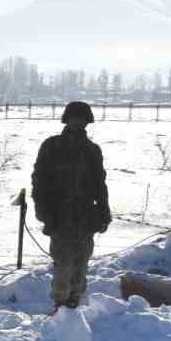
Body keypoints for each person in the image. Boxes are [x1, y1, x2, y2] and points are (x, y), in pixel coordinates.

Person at [31, 101, 111, 309]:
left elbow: (99, 183)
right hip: (59, 214)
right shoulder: (52, 145)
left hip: (85, 214)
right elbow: (39, 181)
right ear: (67, 119)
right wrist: (44, 213)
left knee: (81, 264)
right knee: (63, 264)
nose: (79, 122)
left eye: (82, 119)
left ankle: (74, 302)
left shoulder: (92, 150)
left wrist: (104, 211)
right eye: (75, 118)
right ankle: (60, 304)